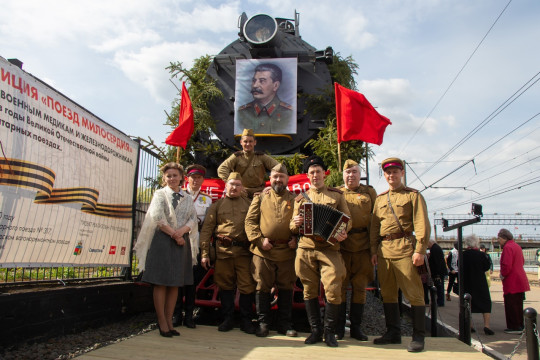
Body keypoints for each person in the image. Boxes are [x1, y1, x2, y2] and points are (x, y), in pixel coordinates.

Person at [370, 157, 430, 352]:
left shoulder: (413, 196)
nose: (391, 175)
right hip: (384, 251)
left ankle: (418, 336)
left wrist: (420, 250)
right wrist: (373, 251)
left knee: (414, 293)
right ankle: (393, 333)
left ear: (402, 173)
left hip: (405, 249)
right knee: (387, 293)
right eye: (388, 172)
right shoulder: (380, 199)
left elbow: (421, 224)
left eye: (395, 171)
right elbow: (374, 228)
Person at [290, 155, 351, 347]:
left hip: (330, 248)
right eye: (311, 172)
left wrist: (343, 232)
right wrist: (296, 223)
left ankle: (329, 332)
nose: (315, 175)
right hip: (306, 247)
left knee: (333, 289)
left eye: (318, 172)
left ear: (324, 174)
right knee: (308, 289)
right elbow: (292, 226)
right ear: (307, 176)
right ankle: (315, 330)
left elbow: (348, 220)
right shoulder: (300, 198)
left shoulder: (336, 195)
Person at [134, 162, 197, 337]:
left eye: (175, 175)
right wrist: (174, 234)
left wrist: (182, 232)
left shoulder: (187, 197)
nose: (172, 179)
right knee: (161, 282)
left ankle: (170, 321)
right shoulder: (160, 194)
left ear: (182, 178)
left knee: (175, 282)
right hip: (163, 240)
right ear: (164, 178)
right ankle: (161, 321)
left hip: (181, 242)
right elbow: (157, 217)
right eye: (168, 176)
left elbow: (193, 218)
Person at [245, 163, 298, 337]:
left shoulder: (296, 199)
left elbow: (303, 222)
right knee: (262, 287)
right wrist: (259, 240)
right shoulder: (260, 198)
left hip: (287, 251)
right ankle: (263, 324)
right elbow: (250, 222)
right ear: (270, 179)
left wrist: (296, 239)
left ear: (287, 179)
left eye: (281, 177)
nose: (278, 179)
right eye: (275, 176)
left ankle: (285, 324)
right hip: (264, 251)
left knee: (286, 288)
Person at [199, 172, 256, 334]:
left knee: (246, 286)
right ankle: (228, 319)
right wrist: (204, 253)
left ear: (242, 187)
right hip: (223, 252)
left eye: (238, 184)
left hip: (244, 253)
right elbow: (206, 230)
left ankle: (246, 320)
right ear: (226, 186)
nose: (234, 187)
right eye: (232, 184)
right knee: (225, 286)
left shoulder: (250, 204)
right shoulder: (216, 206)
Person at [336, 159, 377, 341]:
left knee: (360, 288)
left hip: (363, 247)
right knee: (340, 287)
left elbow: (376, 220)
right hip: (342, 246)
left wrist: (375, 248)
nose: (350, 175)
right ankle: (338, 327)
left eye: (354, 172)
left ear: (360, 175)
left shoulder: (369, 193)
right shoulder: (336, 193)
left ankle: (356, 327)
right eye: (347, 172)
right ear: (342, 175)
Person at [173, 164, 213, 328]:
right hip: (178, 241)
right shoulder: (177, 195)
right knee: (176, 281)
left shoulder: (207, 199)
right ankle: (176, 315)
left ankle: (189, 316)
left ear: (203, 180)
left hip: (195, 243)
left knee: (191, 281)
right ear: (186, 178)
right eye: (193, 177)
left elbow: (207, 225)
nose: (195, 180)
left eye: (199, 177)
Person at [217, 128, 279, 198]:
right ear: (241, 142)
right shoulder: (236, 157)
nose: (248, 144)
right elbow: (221, 169)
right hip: (242, 192)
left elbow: (278, 168)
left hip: (259, 192)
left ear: (254, 142)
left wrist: (273, 186)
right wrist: (233, 184)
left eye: (250, 141)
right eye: (245, 141)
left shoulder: (261, 156)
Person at [236, 63, 294, 134]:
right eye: (254, 81)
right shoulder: (241, 114)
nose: (255, 85)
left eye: (262, 81)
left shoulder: (289, 114)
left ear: (275, 85)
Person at [498, 228, 530, 334]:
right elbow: (522, 261)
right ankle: (520, 325)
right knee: (518, 304)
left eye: (499, 238)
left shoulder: (507, 247)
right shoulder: (517, 246)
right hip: (520, 279)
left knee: (511, 304)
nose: (498, 241)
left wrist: (503, 274)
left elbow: (507, 264)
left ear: (504, 238)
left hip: (512, 281)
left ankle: (514, 326)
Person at [462, 234, 494, 335]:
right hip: (480, 282)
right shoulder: (481, 255)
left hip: (467, 282)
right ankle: (487, 325)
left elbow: (460, 267)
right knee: (486, 302)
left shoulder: (463, 255)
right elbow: (486, 267)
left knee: (468, 303)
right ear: (476, 243)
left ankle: (470, 325)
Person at [424, 239, 448, 307]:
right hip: (439, 272)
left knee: (439, 287)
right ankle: (439, 301)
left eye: (427, 244)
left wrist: (437, 273)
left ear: (430, 243)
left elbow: (437, 262)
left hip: (438, 273)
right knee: (439, 287)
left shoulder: (434, 249)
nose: (427, 246)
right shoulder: (436, 248)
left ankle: (440, 302)